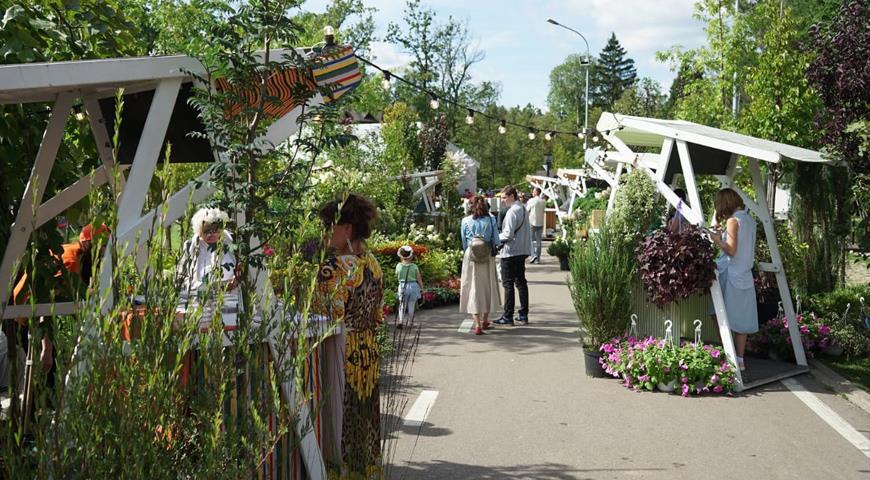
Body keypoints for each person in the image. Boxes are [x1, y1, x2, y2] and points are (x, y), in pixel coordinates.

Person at [313, 193, 384, 476]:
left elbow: (324, 322)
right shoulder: (373, 264)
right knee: (365, 424)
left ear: (347, 229)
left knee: (339, 425)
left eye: (329, 225)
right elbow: (378, 315)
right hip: (368, 352)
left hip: (341, 353)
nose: (325, 232)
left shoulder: (334, 269)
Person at [709, 188, 757, 371]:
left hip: (730, 274)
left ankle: (728, 354)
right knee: (742, 319)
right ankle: (740, 359)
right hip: (745, 274)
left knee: (718, 314)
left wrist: (715, 239)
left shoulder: (733, 220)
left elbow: (730, 250)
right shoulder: (749, 220)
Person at [459, 195, 502, 335]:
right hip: (486, 256)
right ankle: (485, 320)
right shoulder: (491, 219)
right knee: (487, 287)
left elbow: (464, 243)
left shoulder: (465, 221)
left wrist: (469, 251)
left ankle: (477, 325)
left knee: (472, 288)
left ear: (470, 206)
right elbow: (496, 240)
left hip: (471, 256)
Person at [177, 207, 239, 297]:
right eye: (206, 231)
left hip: (232, 298)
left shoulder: (232, 245)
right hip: (199, 298)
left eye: (215, 231)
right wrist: (206, 287)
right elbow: (180, 278)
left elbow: (242, 274)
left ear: (221, 230)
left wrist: (236, 281)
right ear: (199, 231)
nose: (211, 235)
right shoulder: (190, 247)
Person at [495, 186, 531, 326]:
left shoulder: (512, 212)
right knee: (521, 282)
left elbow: (508, 234)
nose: (503, 201)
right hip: (521, 250)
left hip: (510, 252)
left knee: (508, 284)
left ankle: (508, 315)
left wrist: (495, 237)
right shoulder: (522, 208)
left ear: (511, 196)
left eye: (504, 198)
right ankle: (523, 314)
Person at [395, 245, 423, 328]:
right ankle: (410, 322)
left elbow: (397, 276)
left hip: (402, 286)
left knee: (402, 305)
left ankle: (400, 321)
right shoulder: (414, 267)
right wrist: (422, 288)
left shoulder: (398, 266)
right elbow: (419, 279)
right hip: (413, 286)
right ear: (411, 255)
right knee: (411, 306)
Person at [526, 187, 546, 263]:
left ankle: (533, 255)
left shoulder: (531, 201)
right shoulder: (543, 201)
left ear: (536, 192)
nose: (532, 193)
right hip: (540, 222)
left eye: (533, 191)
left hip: (532, 222)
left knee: (530, 240)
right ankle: (538, 259)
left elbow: (527, 210)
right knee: (538, 241)